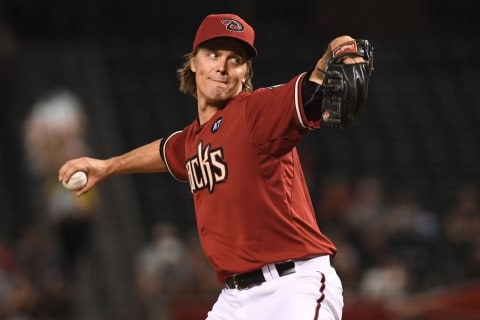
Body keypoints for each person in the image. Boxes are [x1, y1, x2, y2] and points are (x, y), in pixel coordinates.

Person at [58, 13, 373, 320]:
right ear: (194, 62)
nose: (222, 67)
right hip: (234, 299)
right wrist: (108, 166)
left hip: (292, 287)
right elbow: (167, 151)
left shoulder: (256, 113)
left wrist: (341, 45)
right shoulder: (194, 138)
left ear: (245, 73)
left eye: (235, 60)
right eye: (213, 55)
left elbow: (313, 86)